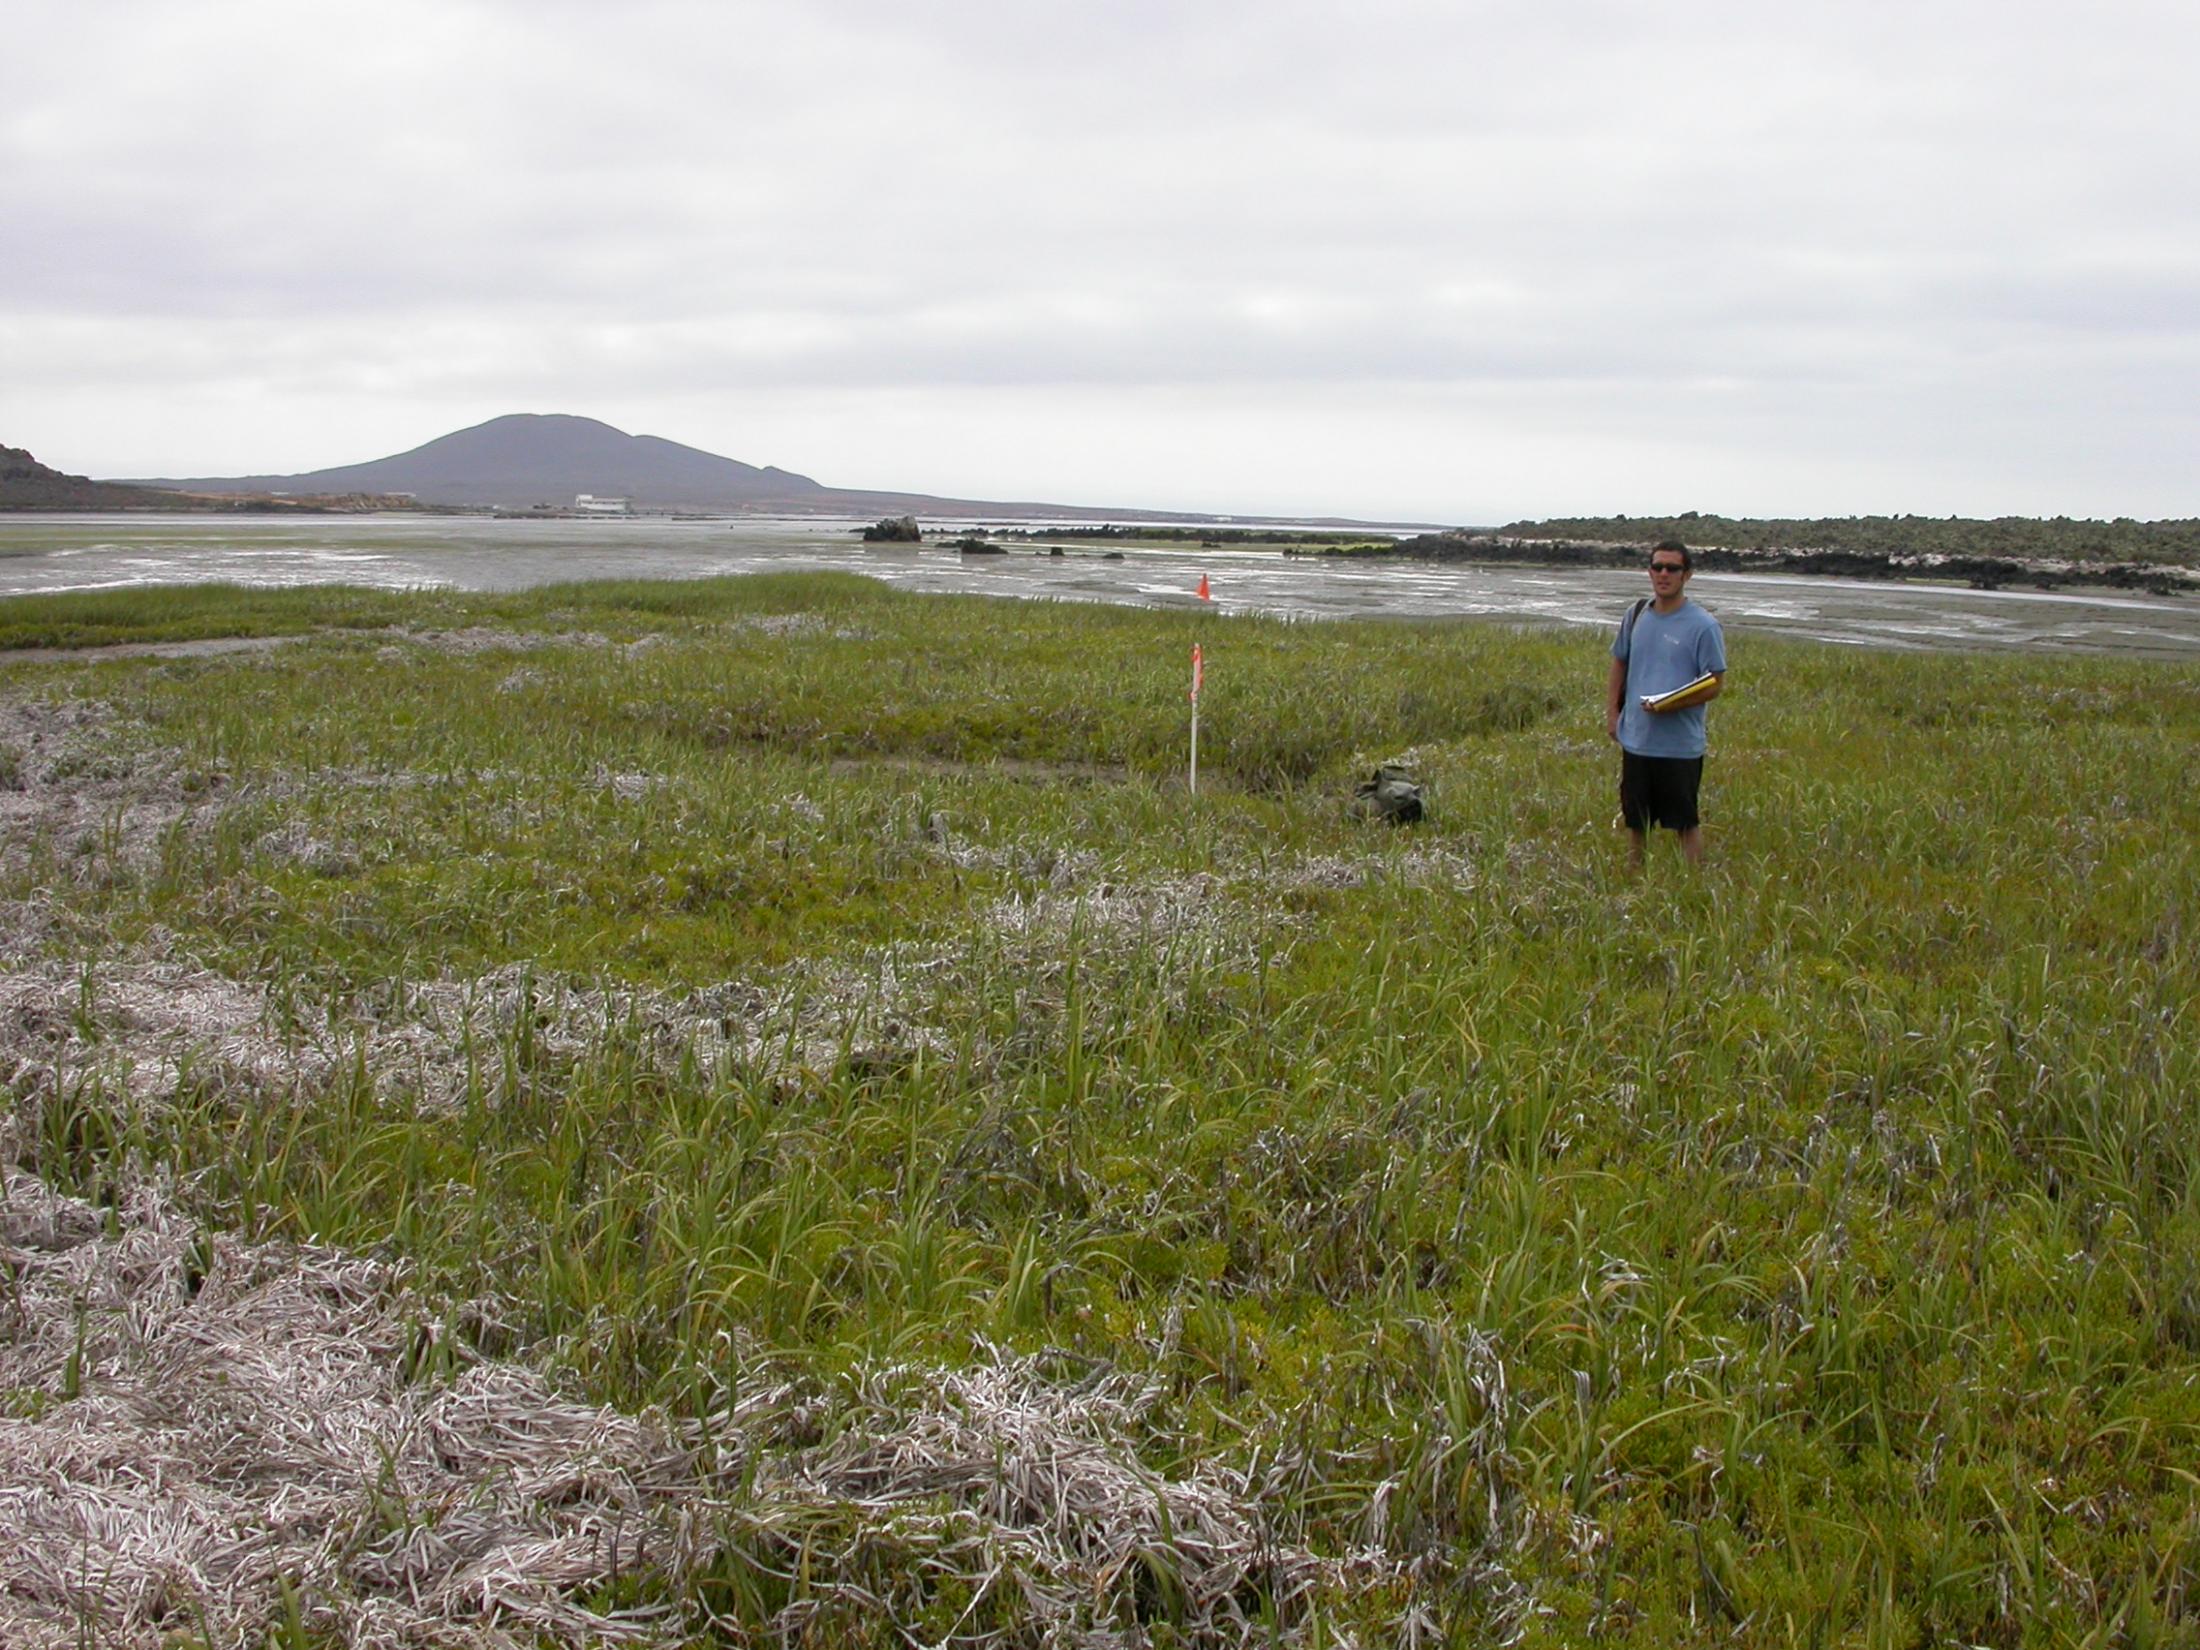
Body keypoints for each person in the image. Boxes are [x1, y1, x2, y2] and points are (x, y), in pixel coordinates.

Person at [1606, 539, 1726, 868]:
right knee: (1635, 821)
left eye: (1672, 568)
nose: (1663, 573)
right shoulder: (1636, 615)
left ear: (1687, 575)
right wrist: (1613, 713)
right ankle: (1633, 879)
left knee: (1684, 822)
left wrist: (1671, 704)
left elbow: (1715, 682)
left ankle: (1692, 884)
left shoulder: (1704, 626)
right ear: (1649, 571)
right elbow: (1619, 662)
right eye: (1657, 567)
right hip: (1637, 740)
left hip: (1679, 745)